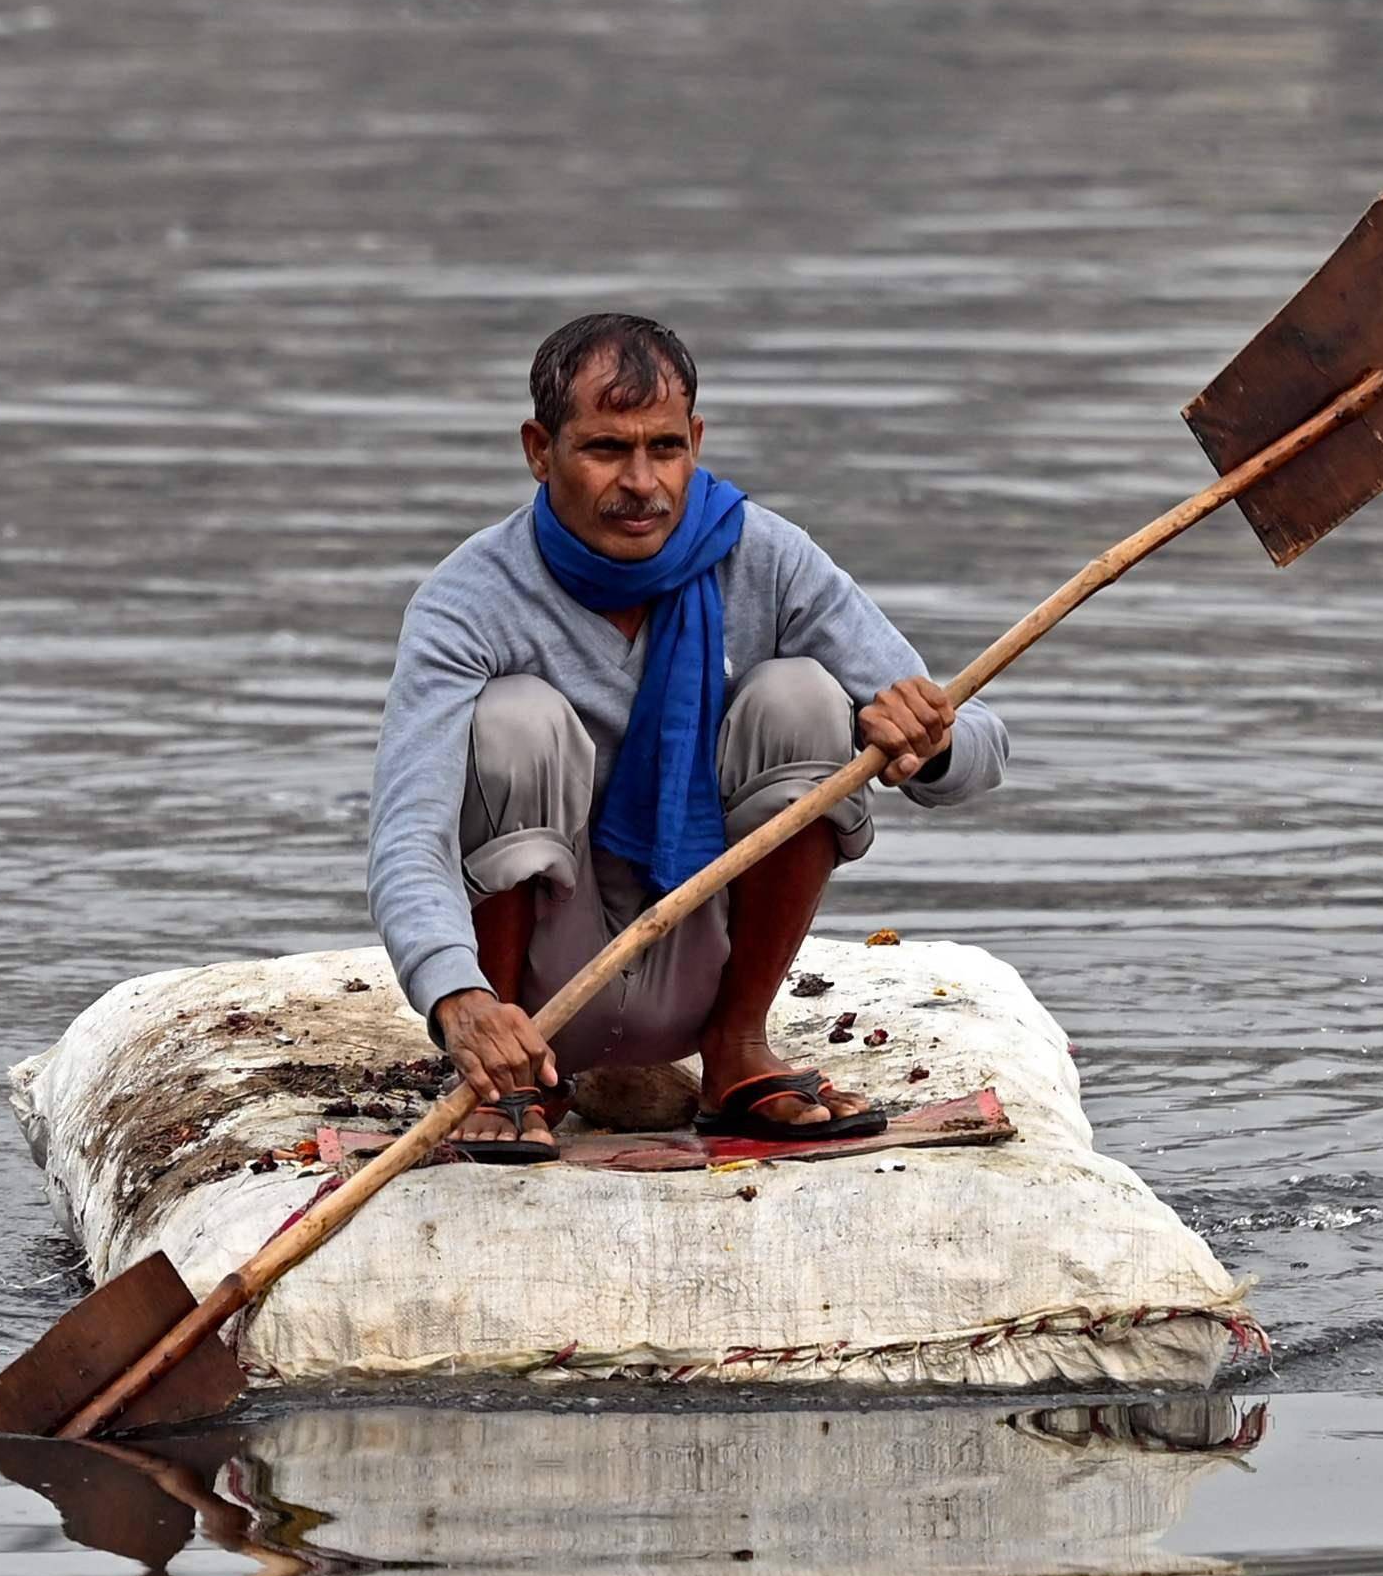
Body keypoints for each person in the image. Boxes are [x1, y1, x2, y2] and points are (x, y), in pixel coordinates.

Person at [367, 313, 1004, 1159]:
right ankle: (516, 1082)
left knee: (803, 693)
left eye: (664, 448)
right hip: (541, 998)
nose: (642, 483)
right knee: (516, 716)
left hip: (706, 955)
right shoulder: (468, 600)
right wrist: (459, 1001)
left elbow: (981, 749)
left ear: (696, 441)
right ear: (538, 448)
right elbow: (406, 834)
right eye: (604, 450)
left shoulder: (767, 559)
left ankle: (739, 1051)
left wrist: (931, 739)